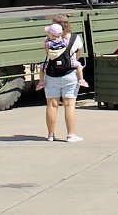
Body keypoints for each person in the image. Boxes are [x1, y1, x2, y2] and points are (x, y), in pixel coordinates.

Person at [43, 14, 84, 142]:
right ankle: (71, 135)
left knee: (52, 105)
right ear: (67, 24)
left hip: (51, 74)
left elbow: (48, 54)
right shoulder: (75, 38)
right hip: (70, 74)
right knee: (69, 104)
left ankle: (50, 135)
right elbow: (78, 55)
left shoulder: (49, 38)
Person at [37, 19, 88, 91]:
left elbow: (47, 52)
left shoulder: (48, 42)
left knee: (42, 67)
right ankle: (81, 80)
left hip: (52, 68)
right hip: (68, 67)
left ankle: (41, 82)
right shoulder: (68, 40)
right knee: (79, 65)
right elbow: (76, 53)